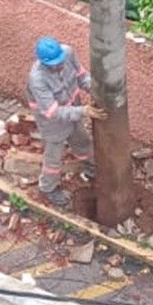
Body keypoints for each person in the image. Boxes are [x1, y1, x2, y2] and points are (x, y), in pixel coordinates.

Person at [27, 36, 106, 206]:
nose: (59, 66)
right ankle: (48, 188)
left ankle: (93, 169)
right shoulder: (37, 79)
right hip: (53, 124)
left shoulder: (68, 53)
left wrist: (97, 88)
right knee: (54, 158)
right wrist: (84, 111)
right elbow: (52, 111)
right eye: (53, 64)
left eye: (60, 61)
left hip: (74, 113)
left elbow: (82, 76)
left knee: (83, 143)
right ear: (43, 63)